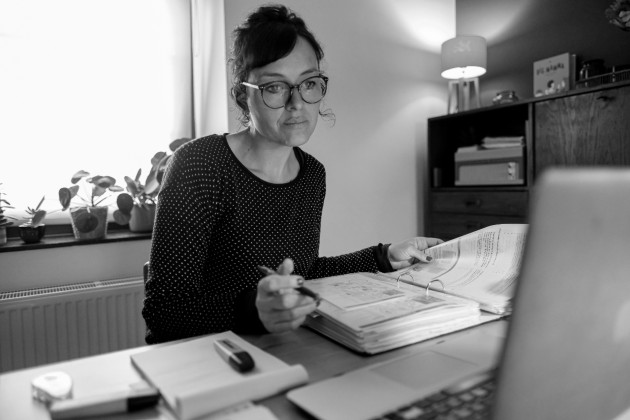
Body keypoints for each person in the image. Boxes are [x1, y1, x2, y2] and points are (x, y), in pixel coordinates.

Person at [142, 4, 442, 344]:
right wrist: (254, 307)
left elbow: (305, 273)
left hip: (278, 350)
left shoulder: (311, 174)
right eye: (275, 87)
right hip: (204, 361)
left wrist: (383, 256)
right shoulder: (201, 165)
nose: (296, 103)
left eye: (308, 83)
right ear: (243, 95)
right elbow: (165, 312)